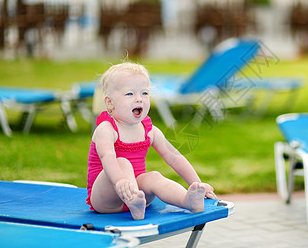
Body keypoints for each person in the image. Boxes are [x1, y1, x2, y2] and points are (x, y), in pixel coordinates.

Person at [86, 62, 216, 220]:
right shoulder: (106, 129)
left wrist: (198, 183)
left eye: (145, 93)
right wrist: (120, 181)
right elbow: (107, 156)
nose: (139, 99)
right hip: (106, 199)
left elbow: (174, 157)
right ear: (110, 103)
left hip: (141, 198)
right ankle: (132, 199)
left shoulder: (150, 131)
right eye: (130, 94)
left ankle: (187, 200)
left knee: (154, 176)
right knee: (122, 163)